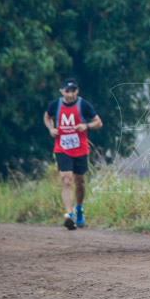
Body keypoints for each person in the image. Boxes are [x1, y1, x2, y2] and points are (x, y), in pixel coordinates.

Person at [43, 78, 103, 229]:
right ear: (62, 91)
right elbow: (47, 116)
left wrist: (86, 125)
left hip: (80, 149)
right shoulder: (55, 105)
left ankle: (79, 208)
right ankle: (69, 215)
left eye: (73, 91)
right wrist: (51, 129)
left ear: (77, 91)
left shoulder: (83, 105)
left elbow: (99, 122)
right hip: (62, 148)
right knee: (67, 180)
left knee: (80, 182)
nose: (70, 94)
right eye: (67, 91)